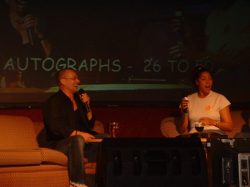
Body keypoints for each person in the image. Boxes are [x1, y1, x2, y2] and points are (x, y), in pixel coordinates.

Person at [42, 68, 99, 187]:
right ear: (63, 81)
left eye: (77, 78)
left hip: (80, 143)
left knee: (105, 138)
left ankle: (101, 179)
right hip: (59, 144)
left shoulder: (78, 100)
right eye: (74, 78)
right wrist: (79, 134)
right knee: (77, 139)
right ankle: (77, 183)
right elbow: (55, 127)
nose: (78, 81)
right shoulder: (53, 101)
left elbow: (89, 126)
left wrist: (87, 106)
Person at [177, 65, 233, 136]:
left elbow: (230, 127)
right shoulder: (188, 99)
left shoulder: (220, 98)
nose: (208, 82)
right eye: (203, 79)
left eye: (210, 79)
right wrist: (184, 112)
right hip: (196, 137)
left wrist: (213, 122)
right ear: (197, 82)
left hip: (214, 136)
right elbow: (181, 130)